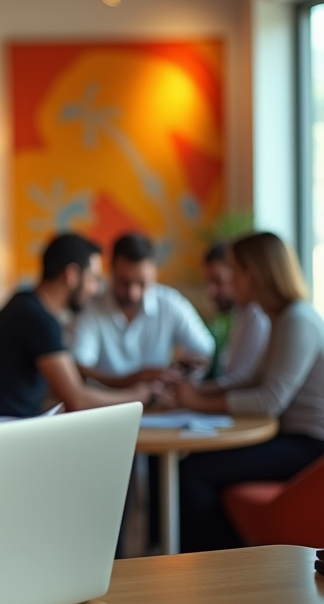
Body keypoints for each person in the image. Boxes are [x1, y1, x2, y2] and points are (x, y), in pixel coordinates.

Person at [174, 232, 324, 552]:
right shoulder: (282, 318)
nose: (229, 281)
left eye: (233, 270)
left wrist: (198, 401)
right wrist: (197, 390)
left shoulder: (297, 320)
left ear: (252, 275)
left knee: (194, 471)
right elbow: (253, 379)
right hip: (295, 439)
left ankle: (215, 567)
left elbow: (270, 401)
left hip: (311, 447)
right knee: (196, 466)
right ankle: (221, 561)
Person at [0, 232, 151, 420]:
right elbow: (77, 399)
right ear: (72, 275)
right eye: (93, 279)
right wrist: (138, 396)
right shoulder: (37, 319)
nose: (96, 289)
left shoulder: (25, 304)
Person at [71, 232, 215, 388]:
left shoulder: (170, 302)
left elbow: (204, 350)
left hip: (160, 405)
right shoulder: (91, 307)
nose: (133, 293)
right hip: (106, 406)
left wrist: (178, 373)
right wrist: (135, 380)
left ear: (155, 274)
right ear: (111, 271)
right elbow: (80, 368)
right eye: (124, 282)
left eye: (142, 283)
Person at [203, 242, 271, 386]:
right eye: (208, 282)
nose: (211, 291)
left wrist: (194, 396)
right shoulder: (242, 315)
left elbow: (240, 384)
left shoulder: (256, 316)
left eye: (218, 281)